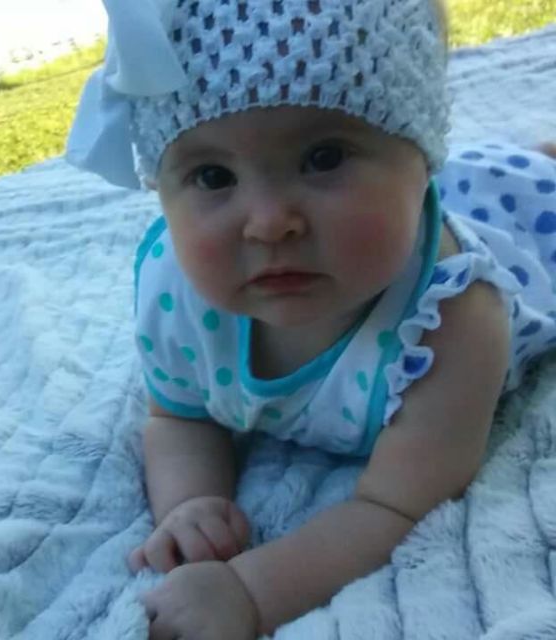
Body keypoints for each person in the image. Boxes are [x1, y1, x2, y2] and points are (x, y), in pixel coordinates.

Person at [66, 0, 556, 637]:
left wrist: (249, 590)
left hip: (527, 219)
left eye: (324, 158)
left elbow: (396, 504)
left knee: (527, 181)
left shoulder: (454, 318)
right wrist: (191, 503)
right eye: (213, 175)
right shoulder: (175, 291)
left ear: (421, 158)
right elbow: (180, 416)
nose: (269, 223)